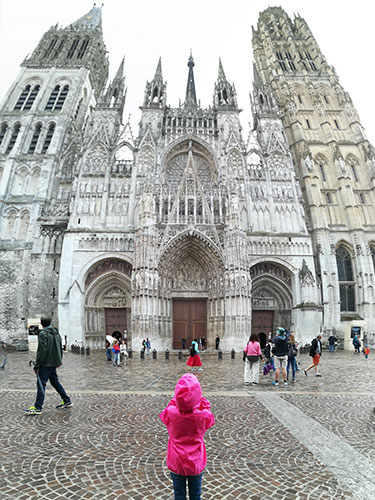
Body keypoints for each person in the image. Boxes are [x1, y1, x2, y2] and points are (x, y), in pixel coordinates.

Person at [159, 373, 215, 500]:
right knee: (196, 495)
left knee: (179, 495)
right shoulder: (203, 415)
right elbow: (210, 418)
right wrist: (200, 402)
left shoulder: (171, 413)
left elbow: (169, 408)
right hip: (195, 461)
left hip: (176, 460)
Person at [24, 317, 72, 415]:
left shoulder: (43, 334)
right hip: (54, 362)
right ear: (50, 322)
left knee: (41, 383)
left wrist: (37, 365)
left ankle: (38, 407)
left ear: (41, 324)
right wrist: (59, 361)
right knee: (54, 382)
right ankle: (66, 400)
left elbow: (42, 350)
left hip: (45, 363)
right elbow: (60, 347)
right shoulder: (56, 333)